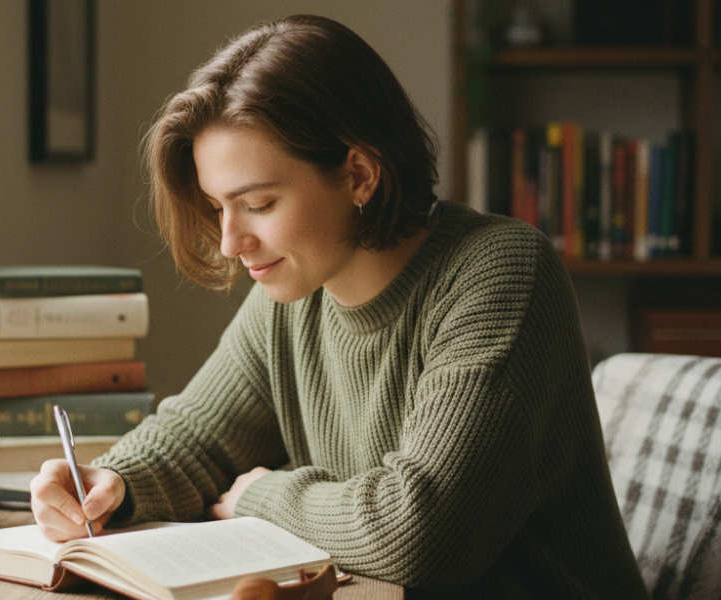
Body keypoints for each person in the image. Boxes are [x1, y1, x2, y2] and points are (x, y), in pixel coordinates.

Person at [31, 14, 648, 598]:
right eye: (220, 207)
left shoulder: (500, 271)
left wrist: (260, 498)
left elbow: (419, 530)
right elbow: (197, 438)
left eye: (261, 204)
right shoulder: (293, 293)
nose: (230, 242)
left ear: (358, 175)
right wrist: (110, 482)